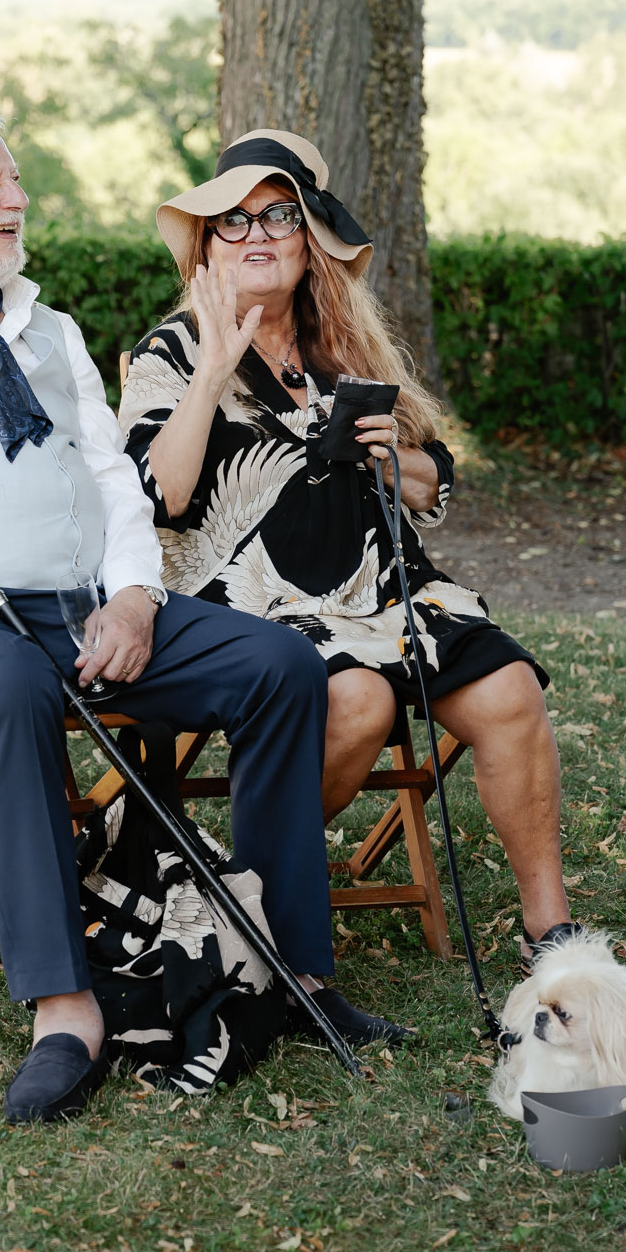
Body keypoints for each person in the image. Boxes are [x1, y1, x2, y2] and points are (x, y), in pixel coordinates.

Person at [0, 101, 405, 1128]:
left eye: (16, 180)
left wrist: (135, 595)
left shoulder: (50, 331)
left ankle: (289, 972)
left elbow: (114, 489)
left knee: (279, 665)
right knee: (10, 680)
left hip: (80, 609)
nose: (18, 198)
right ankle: (65, 1011)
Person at [119, 129, 576, 966]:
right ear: (208, 245)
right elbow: (158, 494)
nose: (256, 234)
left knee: (511, 690)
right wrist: (214, 372)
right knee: (359, 701)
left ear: (310, 240)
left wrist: (393, 458)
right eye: (233, 220)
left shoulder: (343, 346)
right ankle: (250, 892)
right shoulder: (171, 352)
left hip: (383, 590)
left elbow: (433, 477)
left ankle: (552, 934)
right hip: (252, 606)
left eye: (279, 215)